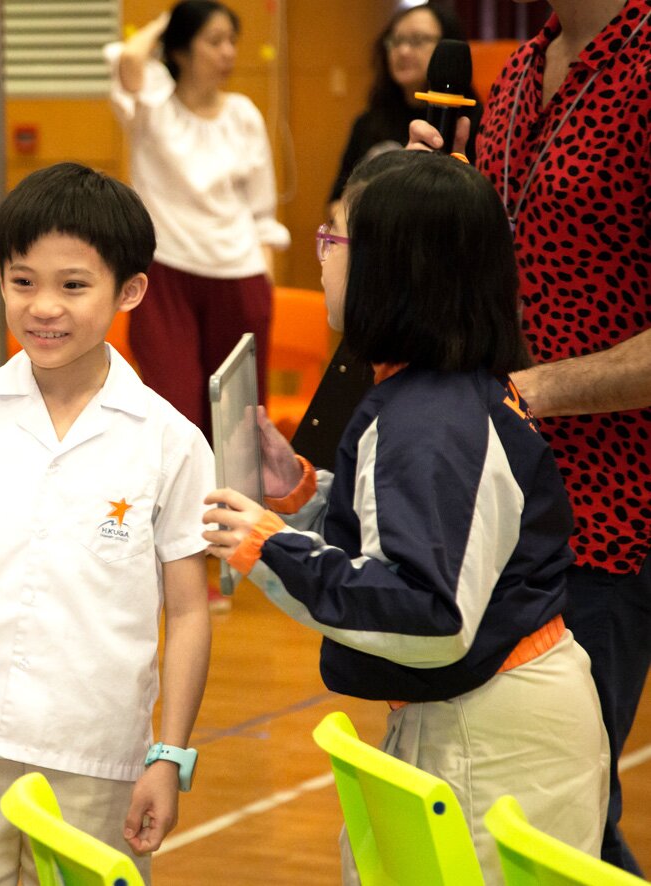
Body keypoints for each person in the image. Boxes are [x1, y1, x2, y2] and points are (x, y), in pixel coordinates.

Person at [202, 150, 608, 884]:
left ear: (395, 268)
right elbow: (405, 539)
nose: (322, 261)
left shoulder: (430, 419)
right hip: (485, 713)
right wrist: (301, 495)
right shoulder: (430, 394)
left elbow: (430, 616)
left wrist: (270, 549)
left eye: (334, 242)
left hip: (493, 730)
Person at [0, 162, 214, 885]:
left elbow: (188, 613)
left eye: (73, 285)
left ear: (129, 291)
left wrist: (170, 754)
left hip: (98, 765)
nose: (43, 307)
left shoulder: (170, 439)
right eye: (22, 281)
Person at [410, 0, 651, 872]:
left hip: (620, 510)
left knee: (566, 804)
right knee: (551, 798)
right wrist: (438, 209)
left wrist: (534, 390)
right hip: (517, 498)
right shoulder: (516, 75)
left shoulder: (643, 64)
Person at [104, 1, 289, 443]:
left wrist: (264, 279)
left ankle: (238, 513)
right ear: (181, 50)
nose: (227, 52)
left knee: (240, 426)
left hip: (239, 276)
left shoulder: (243, 114)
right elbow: (131, 57)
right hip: (167, 274)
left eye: (231, 41)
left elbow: (262, 211)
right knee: (174, 410)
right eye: (213, 40)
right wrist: (168, 21)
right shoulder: (153, 105)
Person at [327, 0, 480, 216]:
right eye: (396, 41)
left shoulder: (476, 122)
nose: (403, 51)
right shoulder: (368, 123)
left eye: (418, 40)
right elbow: (336, 202)